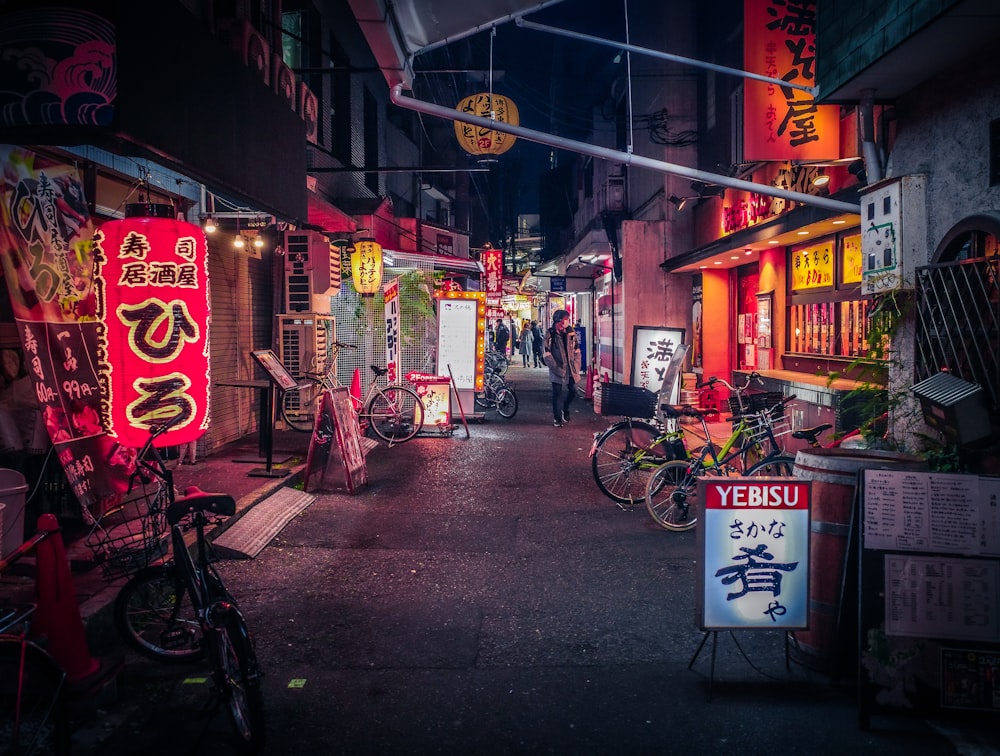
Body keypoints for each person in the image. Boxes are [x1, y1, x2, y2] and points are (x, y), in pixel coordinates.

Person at [543, 309, 581, 427]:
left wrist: (576, 365)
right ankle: (557, 418)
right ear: (559, 320)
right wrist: (556, 368)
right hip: (557, 368)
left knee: (573, 391)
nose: (567, 321)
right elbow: (546, 353)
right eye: (566, 319)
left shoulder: (571, 333)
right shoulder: (550, 334)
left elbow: (577, 350)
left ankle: (565, 408)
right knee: (557, 393)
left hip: (570, 368)